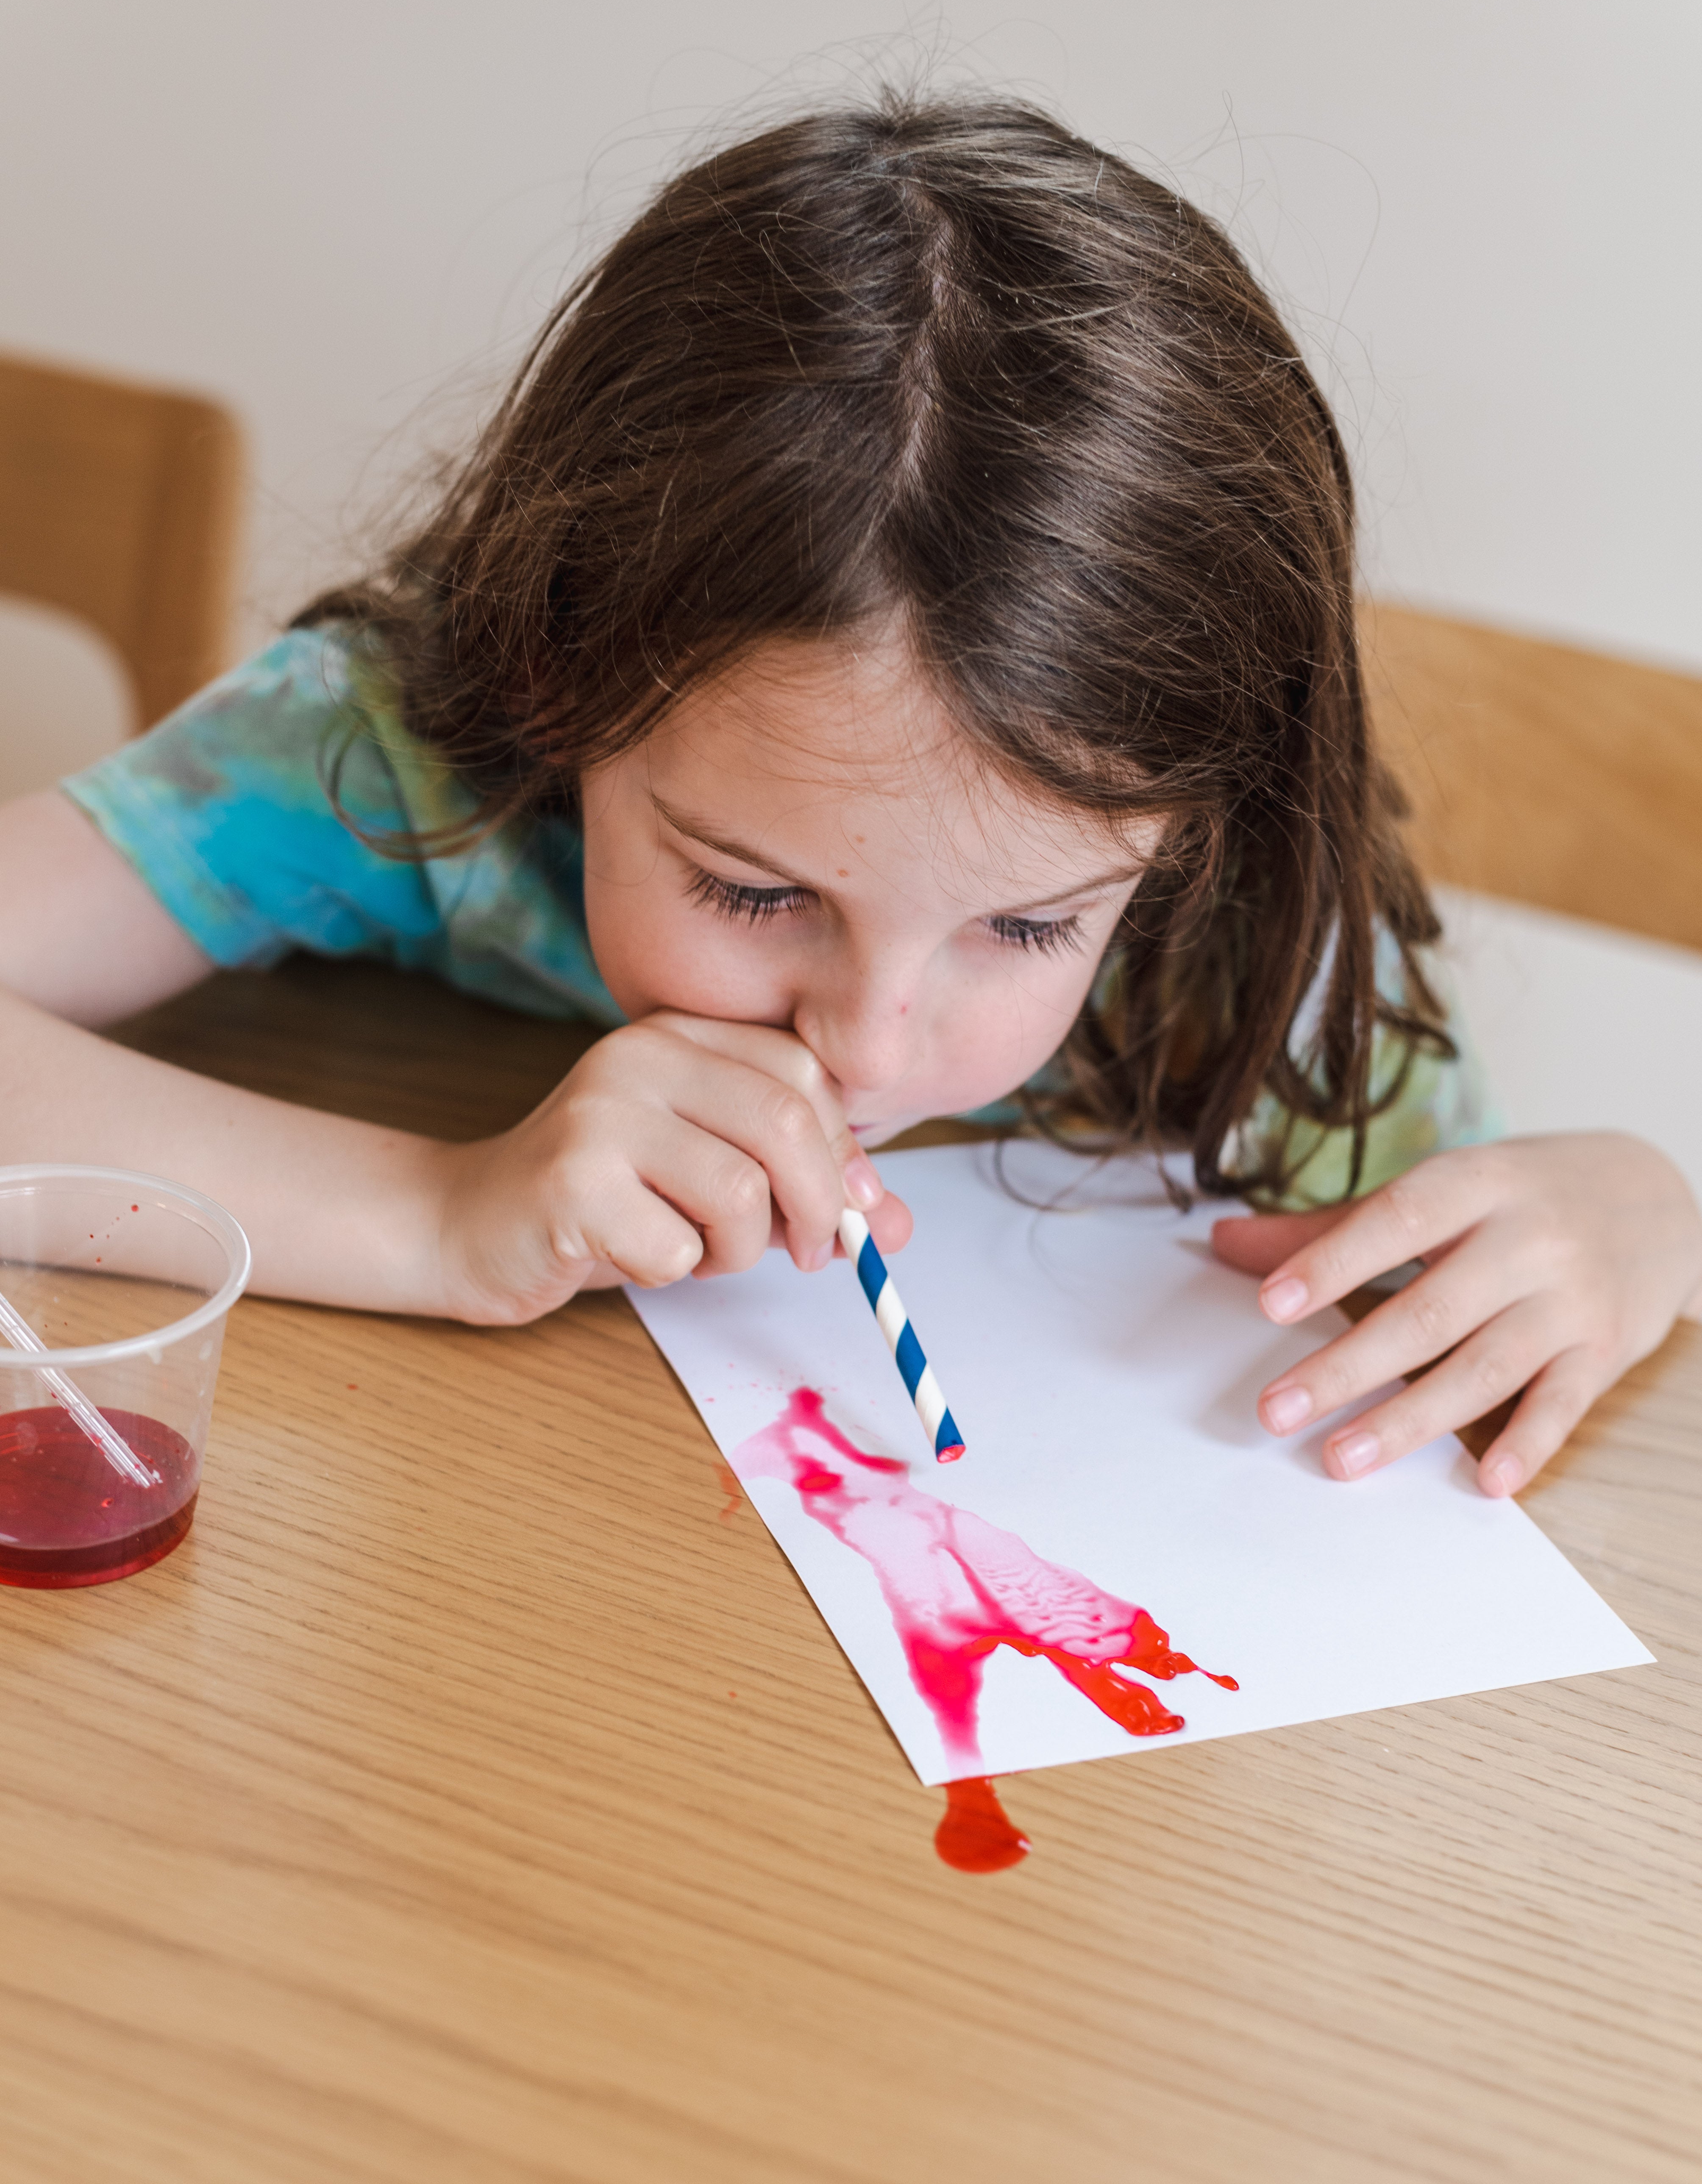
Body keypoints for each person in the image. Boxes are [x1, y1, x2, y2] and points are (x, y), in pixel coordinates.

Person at [1, 94, 1696, 1498]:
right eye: (749, 890)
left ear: (1185, 833)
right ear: (556, 671)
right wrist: (436, 1213)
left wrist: (1644, 1217)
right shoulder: (396, 753)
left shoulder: (1250, 949)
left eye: (1029, 922)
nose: (874, 1043)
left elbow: (1481, 1273)